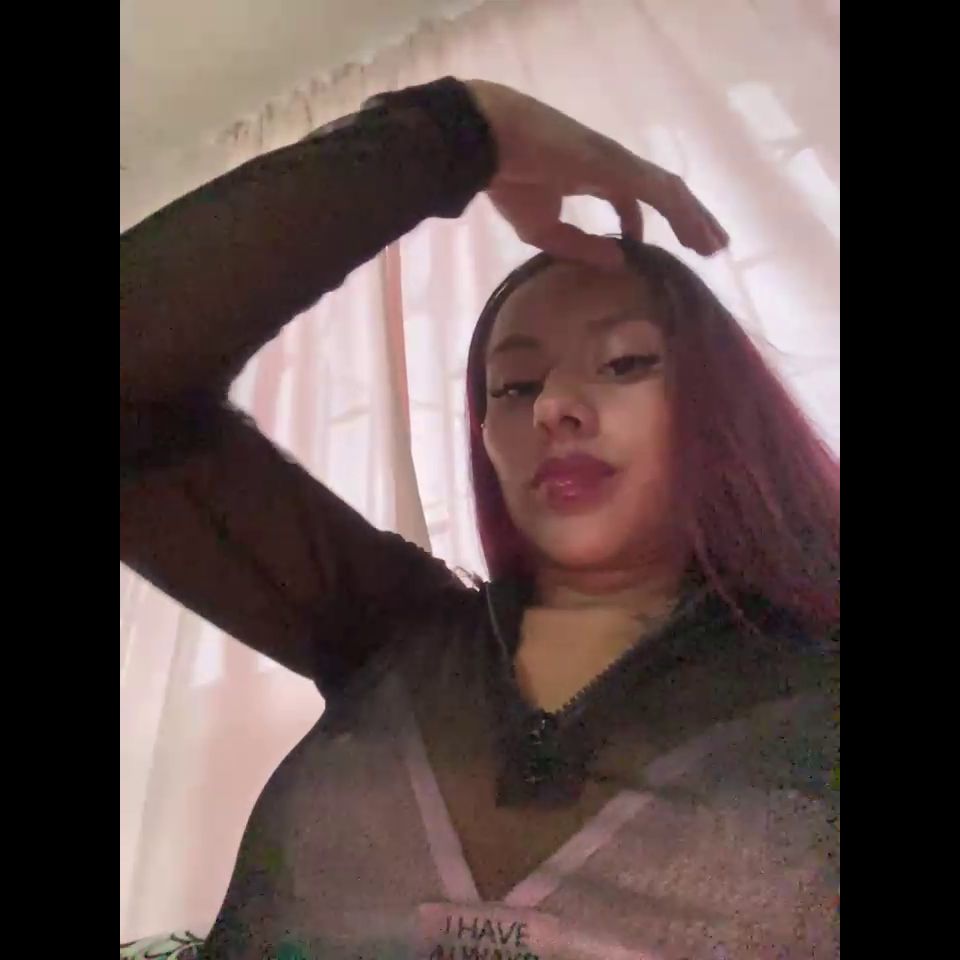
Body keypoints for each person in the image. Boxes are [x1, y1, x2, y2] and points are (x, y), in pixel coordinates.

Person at [120, 77, 839, 959]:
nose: (554, 408)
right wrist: (456, 132)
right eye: (516, 385)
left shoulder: (819, 683)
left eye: (623, 363)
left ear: (720, 402)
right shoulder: (392, 635)